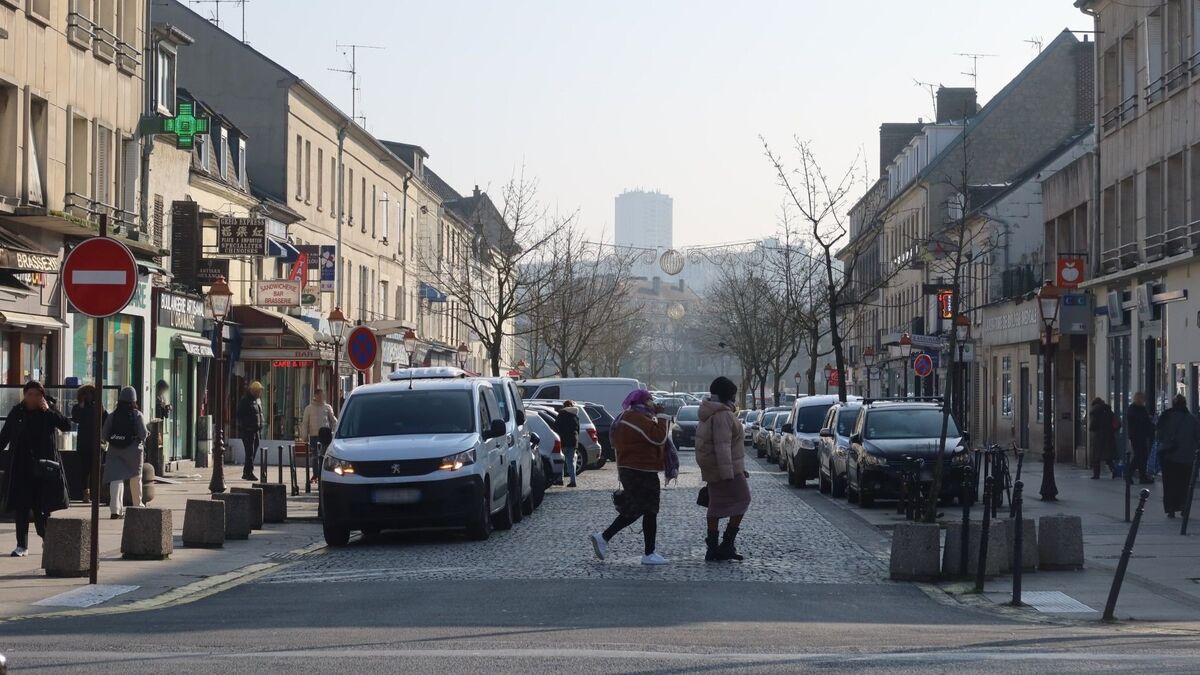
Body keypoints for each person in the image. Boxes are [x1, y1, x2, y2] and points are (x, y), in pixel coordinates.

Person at [589, 389, 670, 565]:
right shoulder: (636, 418)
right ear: (642, 401)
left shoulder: (632, 416)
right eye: (650, 400)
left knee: (641, 509)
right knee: (647, 509)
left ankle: (607, 538)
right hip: (640, 469)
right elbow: (658, 437)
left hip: (634, 468)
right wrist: (662, 416)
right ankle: (646, 553)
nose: (653, 403)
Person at [0, 381, 71, 556]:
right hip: (21, 466)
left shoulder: (49, 411)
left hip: (43, 467)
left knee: (42, 507)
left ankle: (46, 539)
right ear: (24, 395)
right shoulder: (18, 411)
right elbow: (5, 435)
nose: (33, 398)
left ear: (43, 395)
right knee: (21, 506)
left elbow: (66, 426)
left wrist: (48, 410)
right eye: (30, 394)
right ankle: (21, 545)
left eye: (37, 394)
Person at [695, 376, 750, 562]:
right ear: (728, 395)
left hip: (714, 468)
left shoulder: (709, 412)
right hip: (727, 469)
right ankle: (726, 544)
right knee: (743, 499)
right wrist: (730, 474)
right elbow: (723, 445)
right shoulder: (723, 415)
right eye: (733, 394)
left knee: (716, 506)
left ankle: (712, 548)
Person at [102, 387, 147, 520]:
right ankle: (138, 505)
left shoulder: (112, 415)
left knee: (116, 479)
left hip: (115, 450)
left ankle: (115, 510)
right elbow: (143, 434)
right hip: (133, 451)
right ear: (134, 400)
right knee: (135, 477)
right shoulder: (137, 414)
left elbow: (104, 435)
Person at [1155, 394, 1199, 518]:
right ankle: (1183, 505)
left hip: (1168, 456)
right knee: (1184, 483)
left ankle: (1170, 508)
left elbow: (1159, 436)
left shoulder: (1166, 416)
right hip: (1186, 457)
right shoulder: (1192, 419)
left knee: (1169, 483)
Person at [70, 384, 107, 503]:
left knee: (96, 469)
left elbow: (105, 419)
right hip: (84, 443)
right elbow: (76, 419)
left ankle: (96, 493)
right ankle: (86, 493)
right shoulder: (78, 407)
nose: (88, 397)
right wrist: (81, 407)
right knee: (85, 470)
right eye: (85, 394)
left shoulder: (98, 407)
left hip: (96, 442)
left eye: (91, 394)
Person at [302, 389, 337, 483]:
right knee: (315, 456)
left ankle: (323, 474)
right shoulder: (309, 408)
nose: (321, 397)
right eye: (319, 396)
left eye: (322, 396)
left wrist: (334, 432)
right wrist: (304, 436)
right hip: (314, 436)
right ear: (315, 396)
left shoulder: (327, 407)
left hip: (325, 437)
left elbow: (333, 421)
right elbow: (305, 423)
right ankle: (315, 474)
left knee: (324, 456)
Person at [237, 381, 265, 481]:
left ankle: (247, 471)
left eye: (260, 391)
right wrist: (246, 427)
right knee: (249, 452)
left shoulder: (257, 400)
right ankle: (249, 472)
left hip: (255, 430)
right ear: (253, 391)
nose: (260, 393)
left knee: (253, 450)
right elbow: (240, 415)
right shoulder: (245, 400)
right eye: (258, 391)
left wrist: (261, 425)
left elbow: (259, 414)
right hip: (248, 431)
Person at [1126, 392, 1155, 485]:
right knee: (1139, 456)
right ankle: (1129, 474)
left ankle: (1142, 476)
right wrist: (1148, 419)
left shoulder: (1140, 409)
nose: (1144, 401)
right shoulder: (1133, 409)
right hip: (1136, 436)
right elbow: (1139, 421)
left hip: (1141, 435)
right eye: (1143, 399)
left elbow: (1144, 421)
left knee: (1143, 456)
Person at [1089, 397, 1118, 480]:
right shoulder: (1108, 410)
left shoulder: (1095, 411)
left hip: (1098, 436)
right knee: (1108, 456)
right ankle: (1113, 469)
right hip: (1109, 436)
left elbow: (1093, 425)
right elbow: (1116, 422)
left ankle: (1096, 475)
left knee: (1096, 457)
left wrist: (1092, 429)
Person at [554, 400, 581, 487]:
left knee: (561, 460)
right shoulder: (575, 415)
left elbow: (556, 427)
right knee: (571, 461)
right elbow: (578, 430)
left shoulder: (562, 414)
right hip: (573, 441)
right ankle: (573, 480)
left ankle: (560, 479)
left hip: (563, 440)